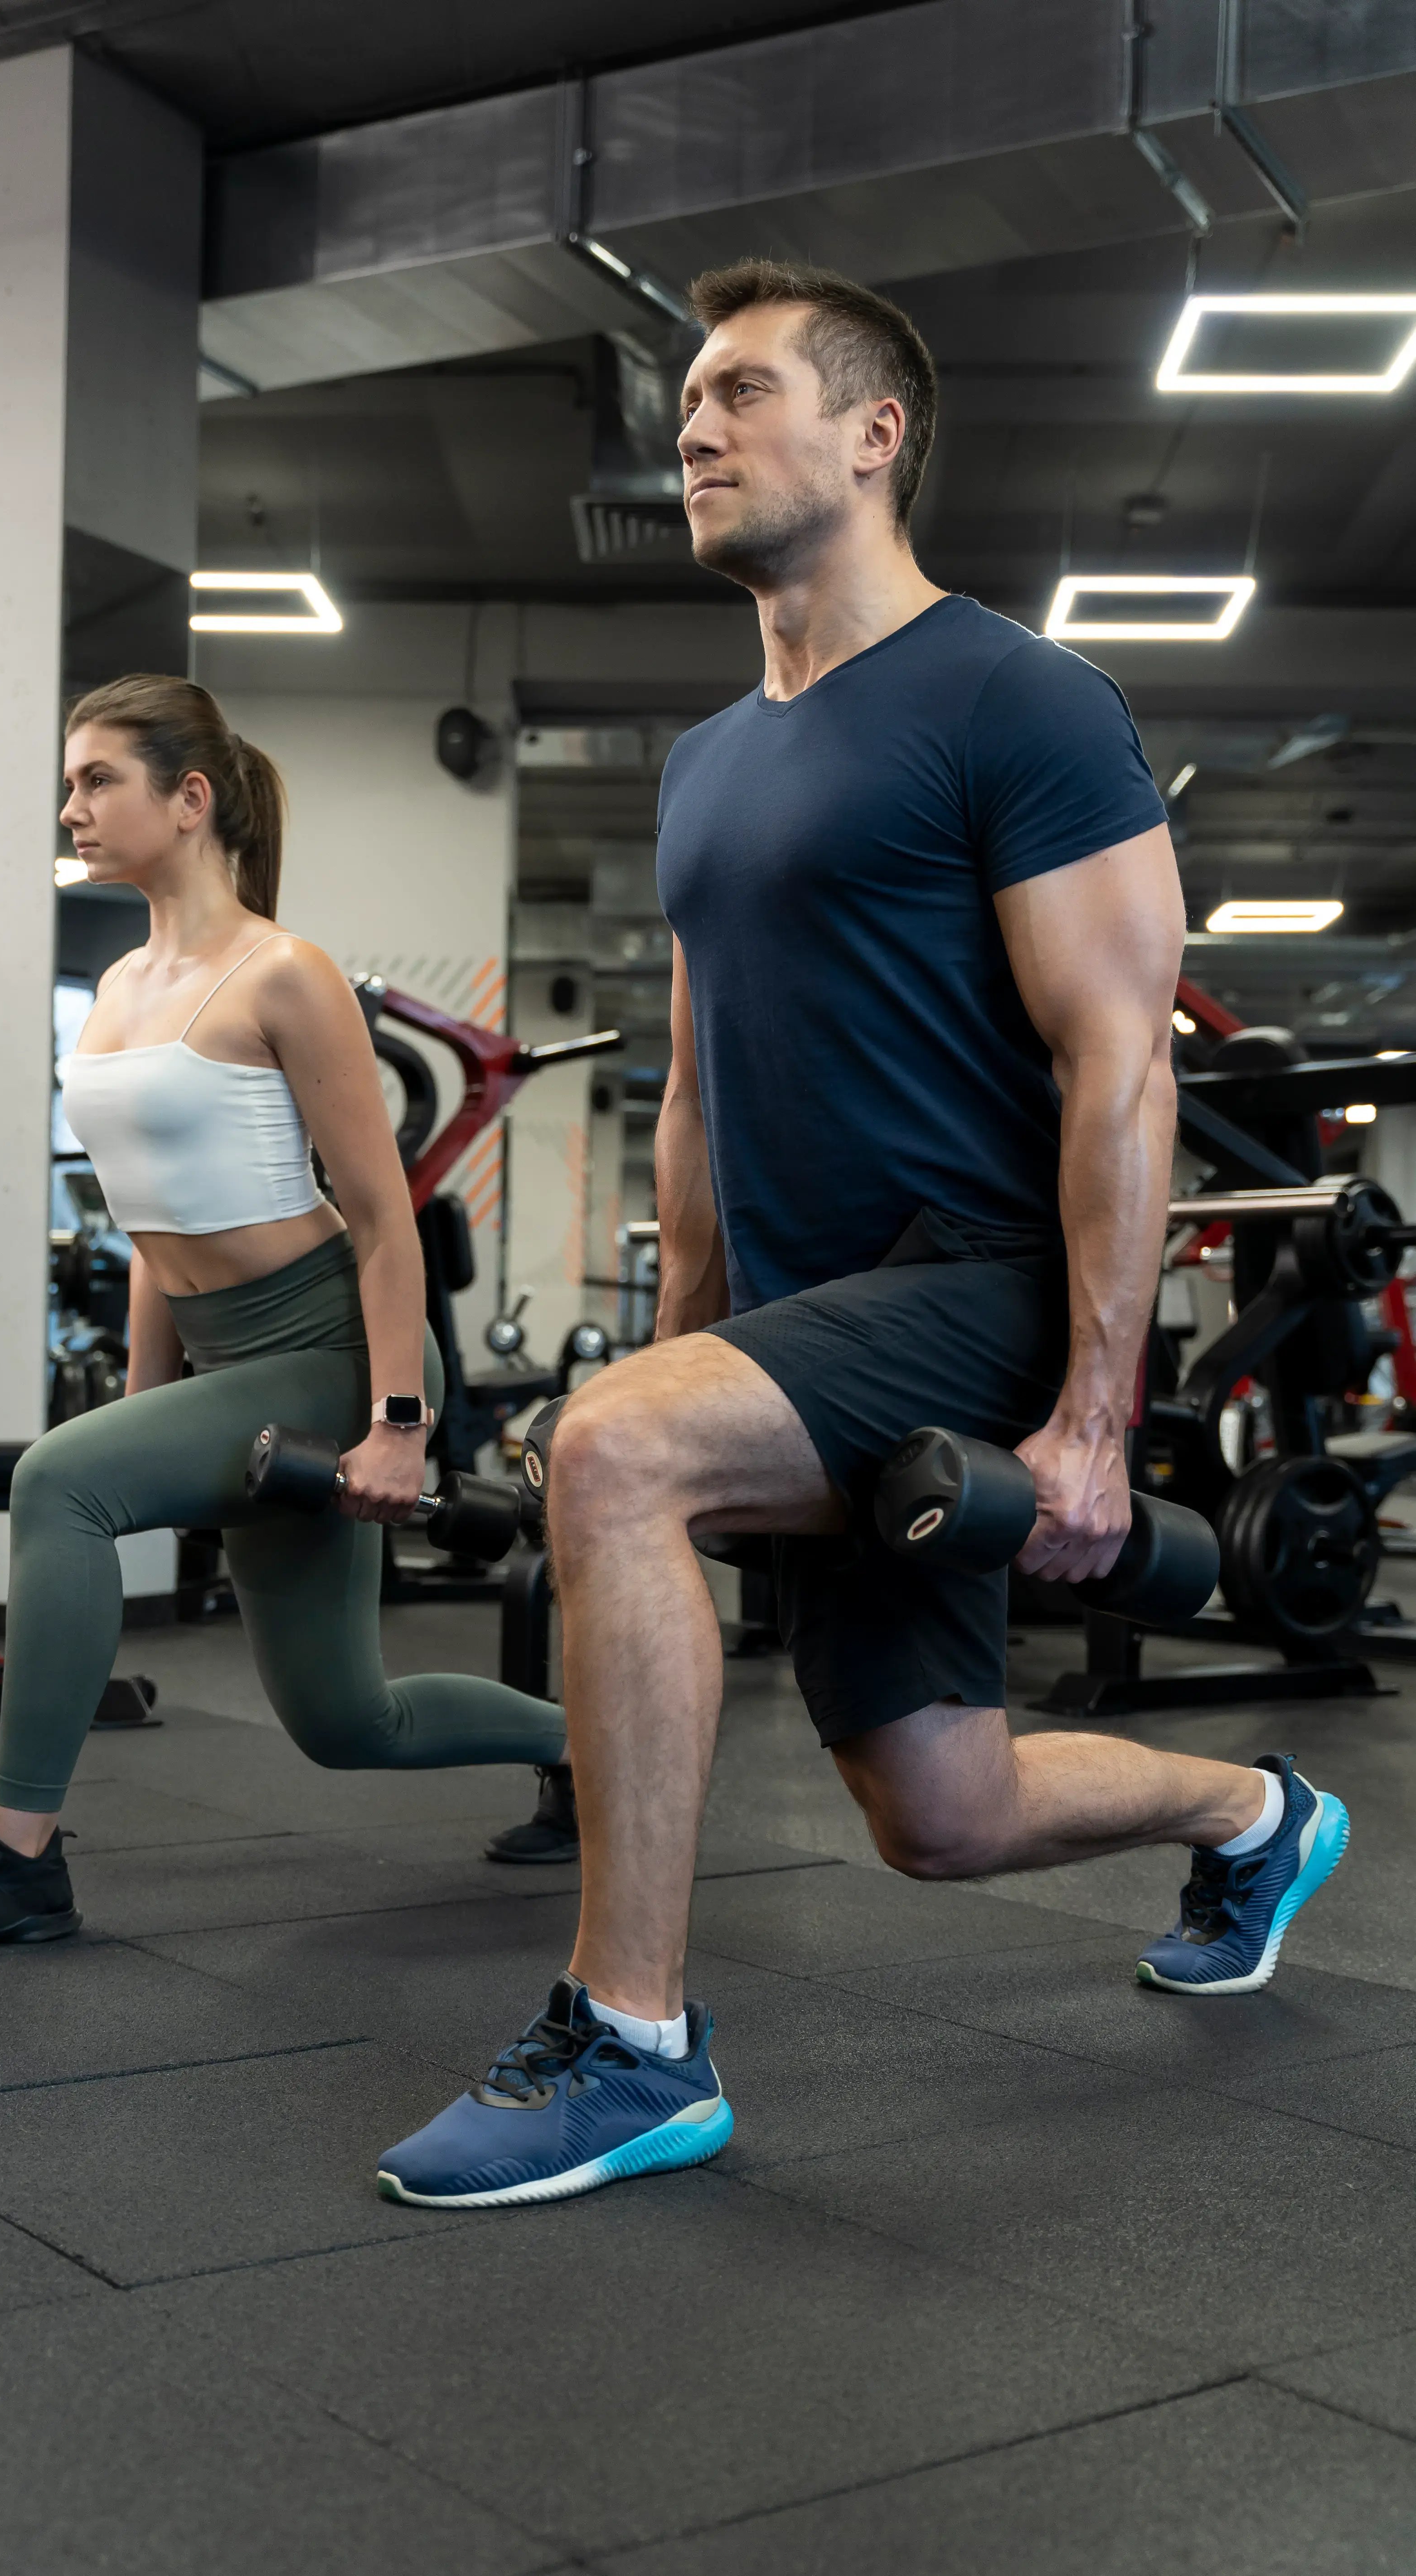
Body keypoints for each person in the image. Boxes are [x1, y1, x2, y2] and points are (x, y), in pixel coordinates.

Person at [377, 260, 1350, 2209]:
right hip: (826, 1309)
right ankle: (1261, 1810)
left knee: (617, 1447)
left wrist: (1095, 1411)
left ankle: (631, 2043)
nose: (696, 431)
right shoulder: (706, 759)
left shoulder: (1021, 694)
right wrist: (692, 1331)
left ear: (876, 430)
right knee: (944, 1808)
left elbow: (1118, 1064)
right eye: (684, 411)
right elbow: (702, 1090)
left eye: (740, 392)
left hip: (978, 1274)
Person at [0, 674, 565, 1957]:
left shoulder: (287, 974)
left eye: (98, 778)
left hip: (333, 1346)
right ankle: (594, 1751)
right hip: (229, 1361)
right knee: (347, 1723)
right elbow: (152, 1235)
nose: (73, 806)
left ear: (192, 798)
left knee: (53, 1482)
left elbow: (386, 1223)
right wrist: (141, 1412)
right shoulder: (115, 990)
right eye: (70, 782)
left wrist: (399, 1424)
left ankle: (15, 1859)